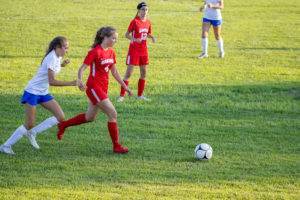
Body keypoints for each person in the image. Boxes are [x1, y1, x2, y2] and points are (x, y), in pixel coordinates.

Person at [56, 27, 133, 153]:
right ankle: (116, 146)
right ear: (105, 38)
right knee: (113, 113)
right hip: (93, 88)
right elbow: (82, 69)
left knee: (90, 117)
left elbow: (114, 72)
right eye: (113, 38)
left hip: (103, 88)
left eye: (116, 39)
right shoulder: (95, 52)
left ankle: (63, 125)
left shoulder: (111, 52)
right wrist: (80, 81)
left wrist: (125, 87)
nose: (115, 41)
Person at [0, 37, 77, 154]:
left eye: (68, 48)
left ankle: (32, 133)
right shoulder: (51, 58)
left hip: (42, 92)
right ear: (57, 47)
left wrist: (62, 65)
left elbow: (50, 70)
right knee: (29, 124)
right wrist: (71, 83)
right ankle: (5, 146)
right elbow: (52, 81)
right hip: (32, 91)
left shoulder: (58, 56)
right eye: (65, 48)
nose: (67, 51)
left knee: (60, 116)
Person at [117, 2, 156, 102]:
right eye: (143, 9)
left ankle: (140, 95)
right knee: (128, 74)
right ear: (138, 11)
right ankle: (121, 96)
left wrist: (151, 37)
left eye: (146, 10)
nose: (144, 12)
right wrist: (134, 39)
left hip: (144, 51)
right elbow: (126, 35)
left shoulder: (148, 22)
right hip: (134, 51)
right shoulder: (135, 21)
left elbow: (146, 33)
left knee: (143, 74)